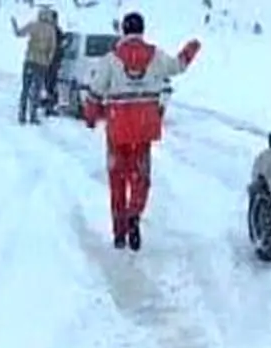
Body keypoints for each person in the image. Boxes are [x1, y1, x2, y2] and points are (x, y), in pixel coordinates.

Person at [82, 11, 201, 250]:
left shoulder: (111, 59)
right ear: (142, 30)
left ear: (124, 31)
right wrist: (191, 49)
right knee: (140, 178)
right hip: (144, 130)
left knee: (117, 180)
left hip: (118, 130)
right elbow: (177, 66)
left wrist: (91, 117)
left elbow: (95, 92)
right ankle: (134, 214)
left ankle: (119, 232)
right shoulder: (155, 56)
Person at [10, 8, 58, 125]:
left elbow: (19, 33)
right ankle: (33, 116)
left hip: (30, 60)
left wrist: (14, 25)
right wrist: (48, 62)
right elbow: (53, 48)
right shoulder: (52, 30)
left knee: (25, 89)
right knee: (36, 90)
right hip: (42, 64)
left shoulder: (34, 25)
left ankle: (22, 114)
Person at [43, 10, 64, 116]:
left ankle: (48, 105)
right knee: (50, 84)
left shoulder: (50, 30)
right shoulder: (55, 31)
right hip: (52, 61)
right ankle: (49, 106)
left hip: (50, 61)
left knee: (49, 84)